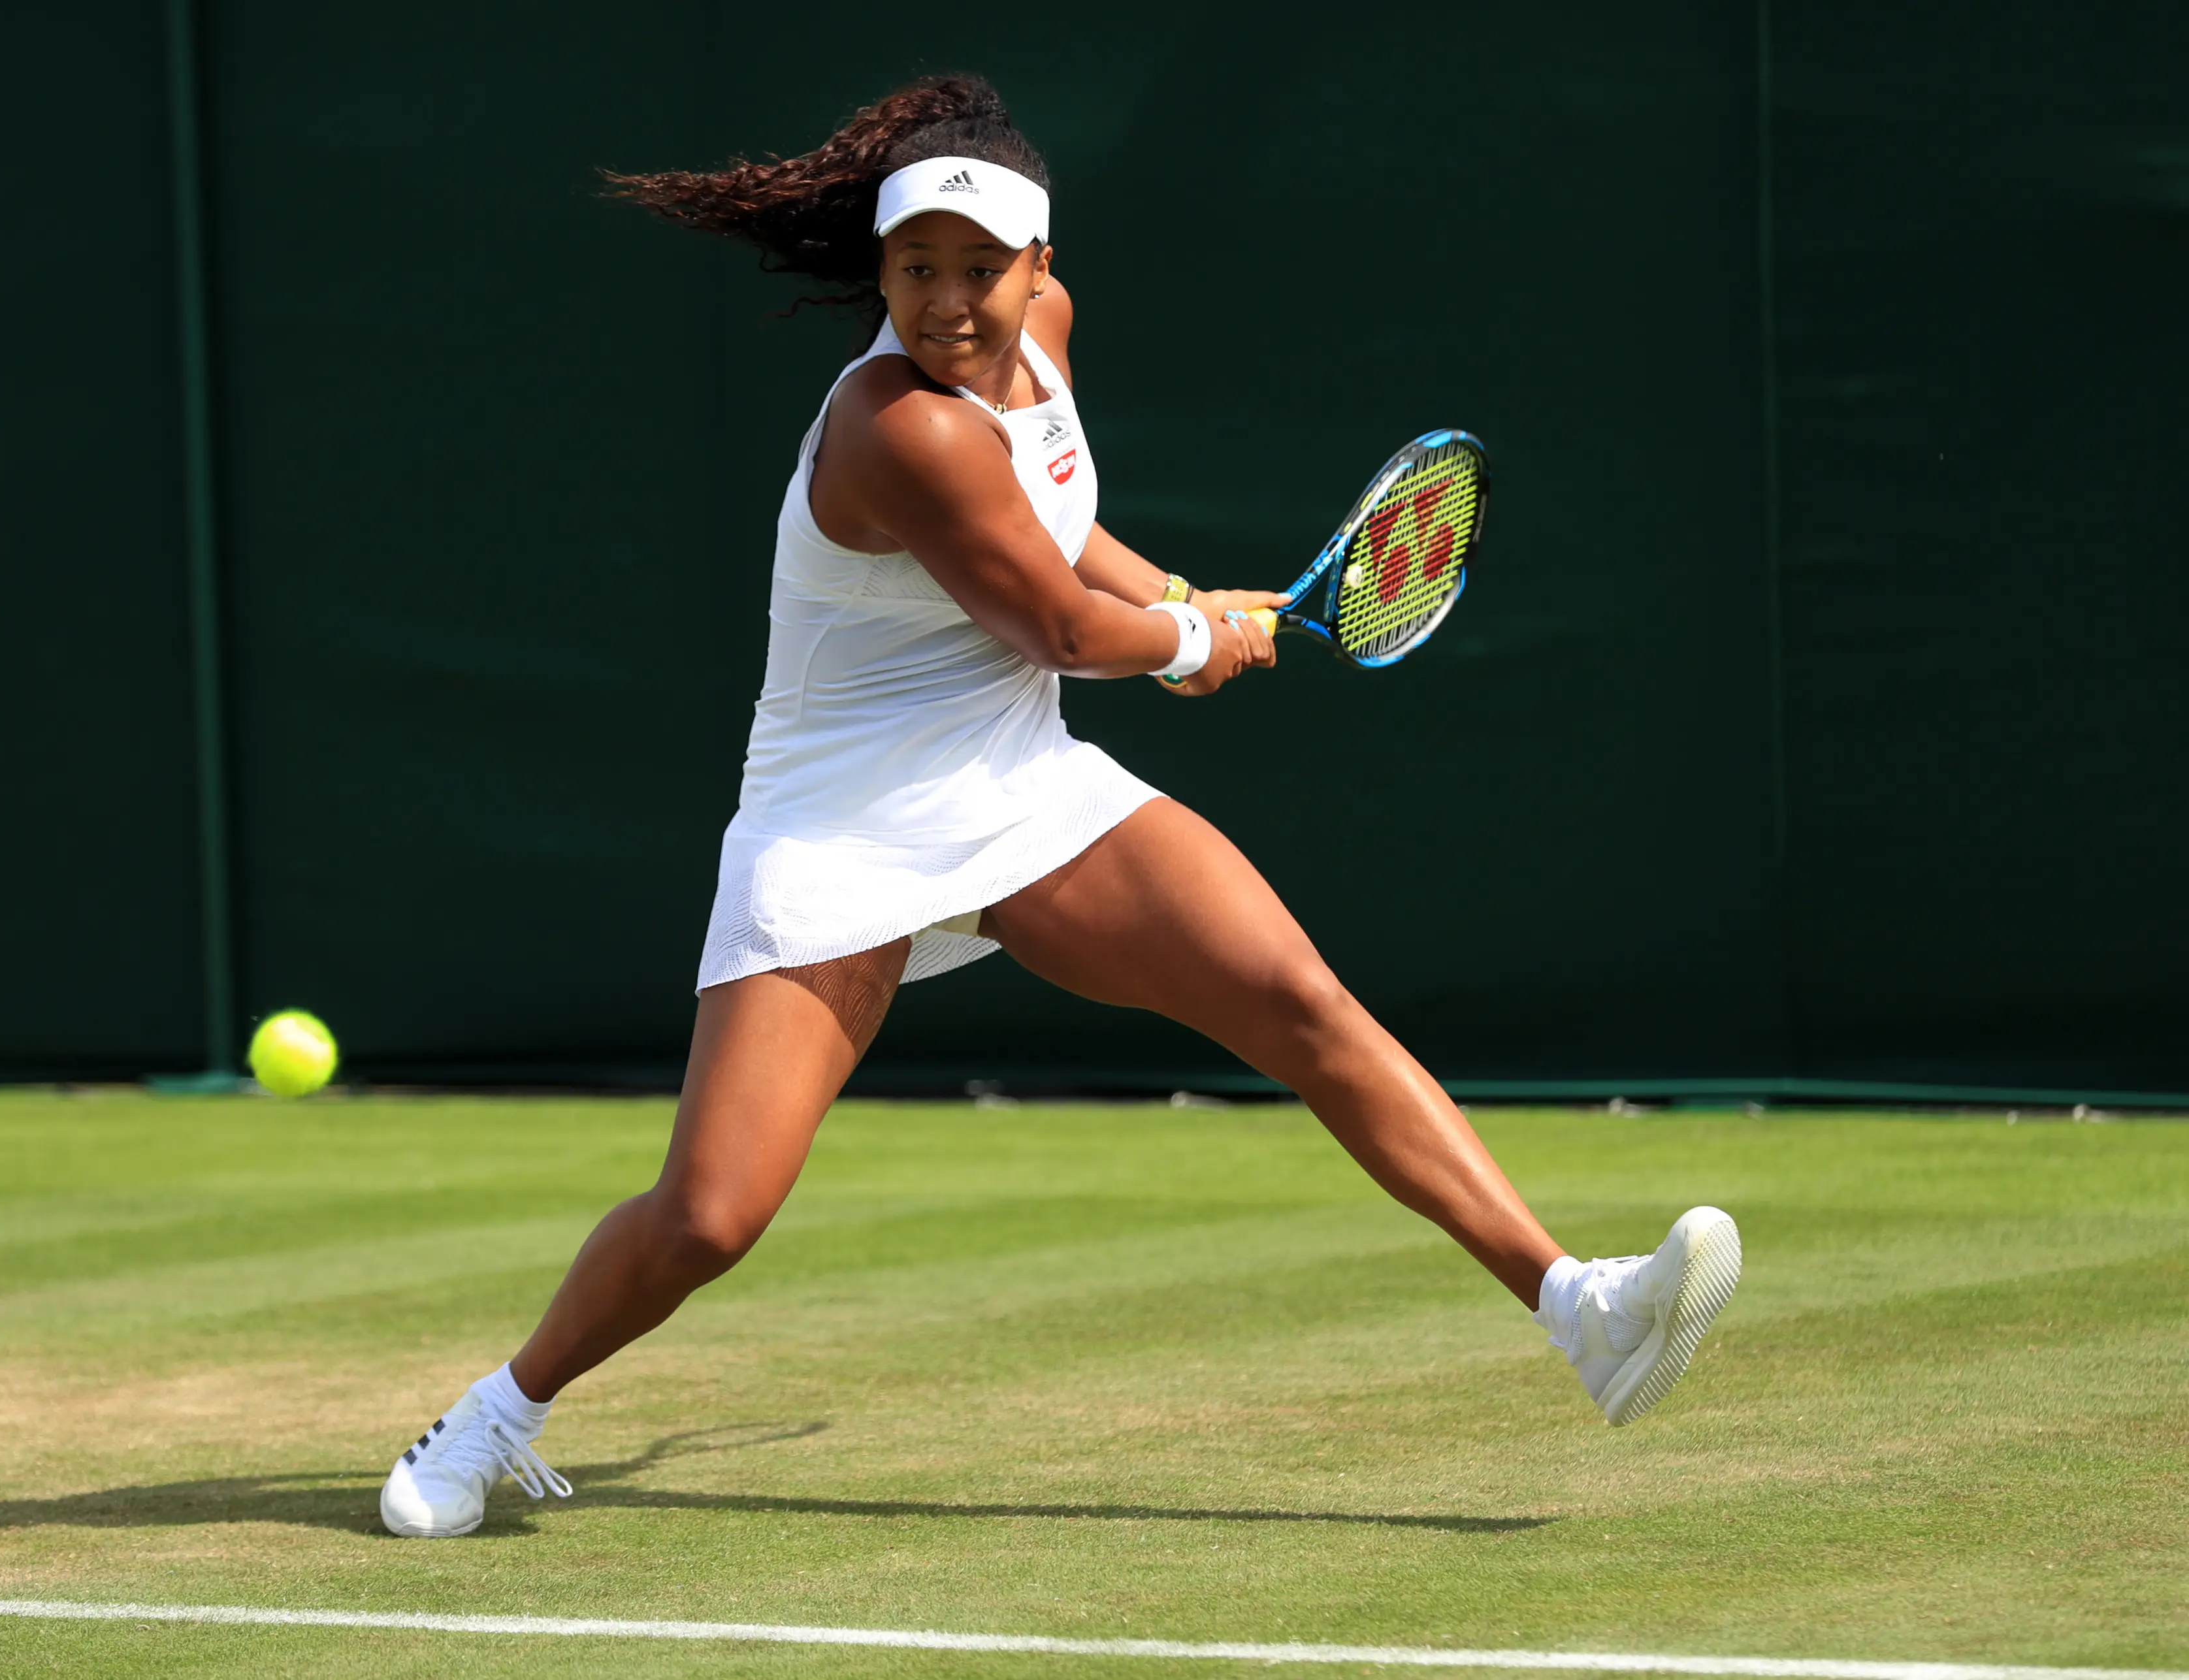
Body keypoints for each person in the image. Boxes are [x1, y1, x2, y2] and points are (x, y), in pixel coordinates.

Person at [379, 76, 1741, 1538]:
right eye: (917, 270)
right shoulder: (901, 430)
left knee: (1299, 999)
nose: (949, 301)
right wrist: (1190, 640)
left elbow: (1069, 533)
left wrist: (1173, 593)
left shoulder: (1048, 344)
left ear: (1040, 269)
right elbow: (1059, 627)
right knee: (711, 1213)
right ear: (884, 271)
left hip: (1020, 779)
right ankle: (491, 1415)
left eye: (982, 270)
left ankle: (1578, 1306)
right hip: (839, 829)